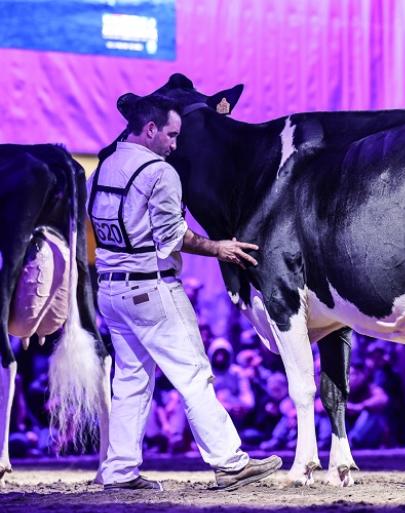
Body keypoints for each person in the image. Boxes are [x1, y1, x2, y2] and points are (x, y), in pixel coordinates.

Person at [89, 94, 281, 491]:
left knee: (130, 379)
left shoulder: (104, 165)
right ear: (151, 129)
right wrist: (218, 247)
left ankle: (120, 471)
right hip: (152, 287)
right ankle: (229, 462)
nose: (175, 145)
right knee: (192, 373)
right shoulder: (160, 173)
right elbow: (173, 235)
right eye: (171, 136)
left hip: (110, 289)